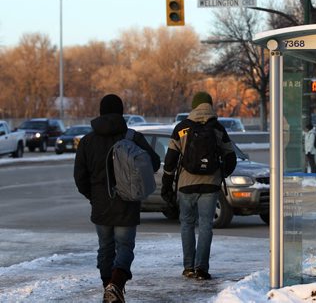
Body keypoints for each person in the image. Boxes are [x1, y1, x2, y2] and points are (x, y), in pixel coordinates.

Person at [74, 94, 160, 303]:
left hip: (101, 205)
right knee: (124, 247)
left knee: (105, 248)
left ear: (100, 112)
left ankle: (108, 288)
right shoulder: (133, 137)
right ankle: (116, 286)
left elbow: (80, 177)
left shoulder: (87, 141)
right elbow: (154, 163)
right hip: (127, 203)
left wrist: (93, 196)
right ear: (121, 112)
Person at [161, 91, 236, 280]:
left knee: (186, 224)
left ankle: (188, 267)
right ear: (210, 105)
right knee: (205, 226)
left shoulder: (181, 128)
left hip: (186, 185)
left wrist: (167, 186)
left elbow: (170, 161)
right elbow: (231, 156)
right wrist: (221, 173)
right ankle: (201, 268)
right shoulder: (218, 128)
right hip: (210, 185)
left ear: (194, 106)